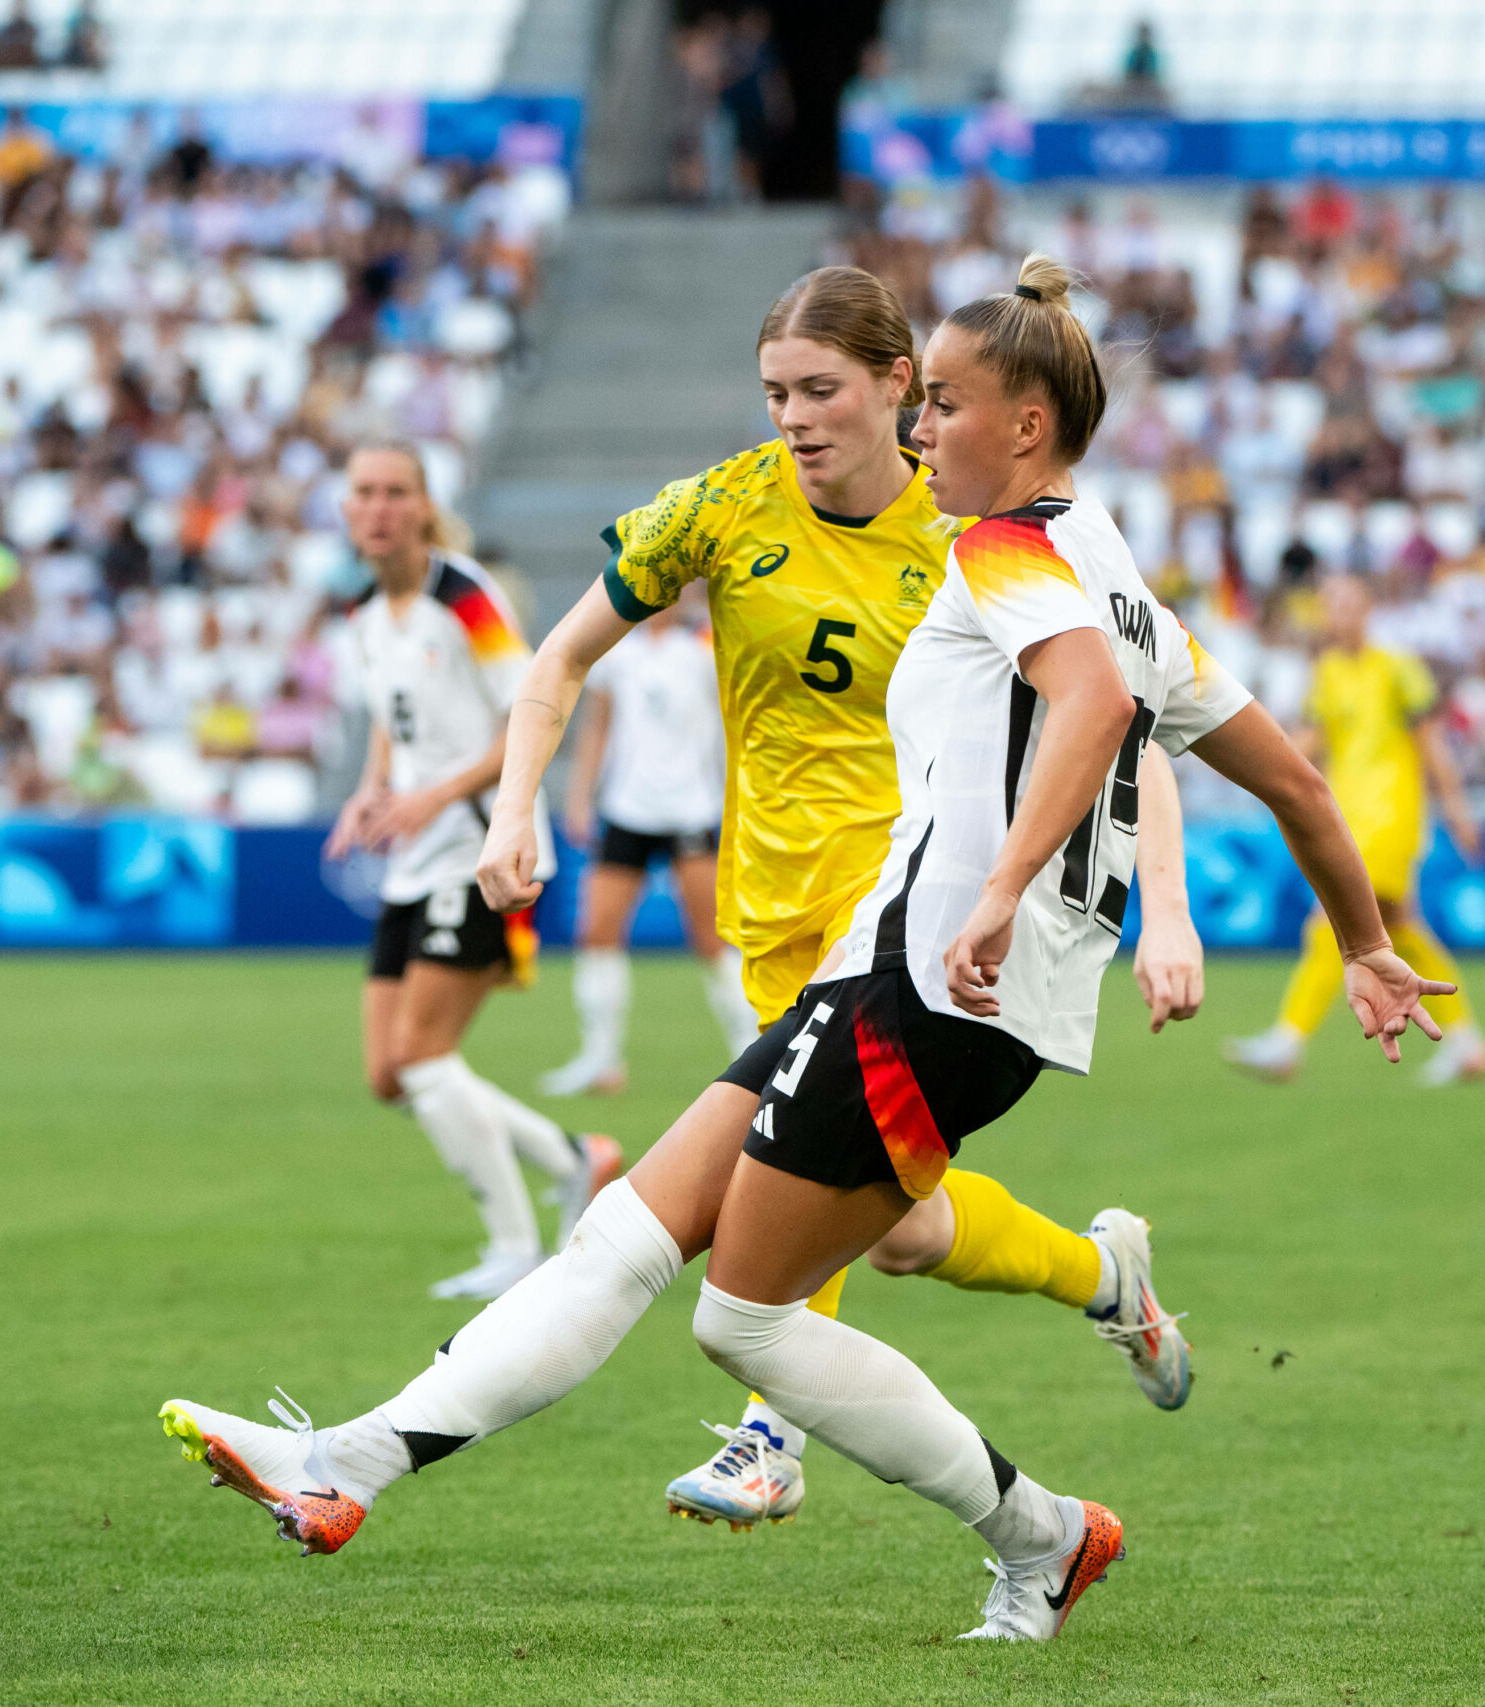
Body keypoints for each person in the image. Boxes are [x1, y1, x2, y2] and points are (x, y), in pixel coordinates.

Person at [158, 256, 1446, 1643]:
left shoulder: (1000, 548)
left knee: (746, 1318)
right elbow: (1298, 785)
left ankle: (1045, 1533)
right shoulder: (1117, 575)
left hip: (926, 986)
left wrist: (1005, 886)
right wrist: (1362, 936)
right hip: (891, 974)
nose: (923, 432)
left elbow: (1084, 708)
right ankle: (345, 1459)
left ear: (1022, 424)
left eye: (941, 405)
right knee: (630, 1237)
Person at [555, 264, 1202, 1529]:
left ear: (900, 387)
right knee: (899, 1234)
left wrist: (1163, 909)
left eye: (818, 389)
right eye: (775, 392)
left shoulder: (987, 536)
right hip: (776, 900)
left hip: (906, 914)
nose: (793, 416)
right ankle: (1103, 1276)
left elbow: (1121, 714)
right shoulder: (737, 514)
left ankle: (766, 1436)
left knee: (773, 1186)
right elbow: (566, 652)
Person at [325, 442, 621, 1299]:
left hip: (482, 851)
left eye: (394, 492)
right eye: (363, 493)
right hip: (415, 859)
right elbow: (392, 719)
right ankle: (579, 1158)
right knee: (391, 1072)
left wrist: (435, 796)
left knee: (423, 1055)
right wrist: (373, 789)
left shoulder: (467, 599)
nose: (378, 508)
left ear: (423, 506)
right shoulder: (363, 613)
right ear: (347, 511)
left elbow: (527, 716)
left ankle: (515, 1245)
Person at [1221, 574, 1485, 1087]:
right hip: (1347, 819)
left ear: (1368, 608)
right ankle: (1467, 1042)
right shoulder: (1327, 673)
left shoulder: (1399, 669)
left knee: (1330, 924)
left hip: (1390, 817)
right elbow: (1305, 741)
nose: (1338, 614)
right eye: (1329, 605)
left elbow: (1432, 745)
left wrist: (1458, 811)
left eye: (1347, 603)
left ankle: (1289, 1040)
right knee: (1400, 932)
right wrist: (1240, 762)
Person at [541, 584, 759, 1096]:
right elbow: (597, 727)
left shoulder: (707, 647)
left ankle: (750, 1057)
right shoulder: (619, 650)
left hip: (691, 809)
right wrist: (580, 796)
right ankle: (600, 1059)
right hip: (626, 809)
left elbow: (736, 727)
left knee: (711, 938)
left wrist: (738, 799)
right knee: (597, 931)